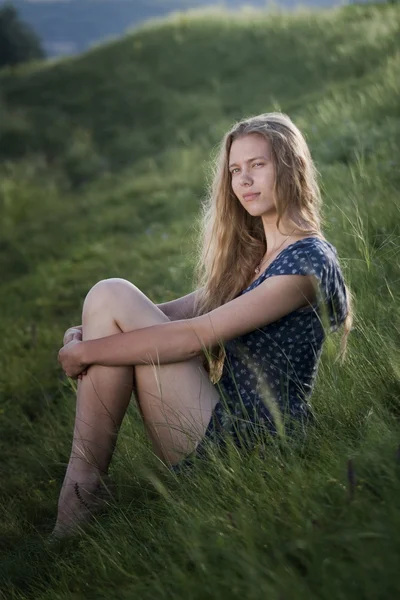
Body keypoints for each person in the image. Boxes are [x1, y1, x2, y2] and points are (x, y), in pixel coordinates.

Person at [53, 112, 353, 537]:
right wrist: (94, 332)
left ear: (290, 167)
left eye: (258, 165)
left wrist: (86, 353)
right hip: (217, 419)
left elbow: (196, 338)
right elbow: (179, 312)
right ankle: (82, 490)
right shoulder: (256, 258)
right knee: (108, 298)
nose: (244, 180)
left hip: (254, 444)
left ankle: (81, 491)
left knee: (112, 294)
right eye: (235, 170)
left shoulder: (306, 262)